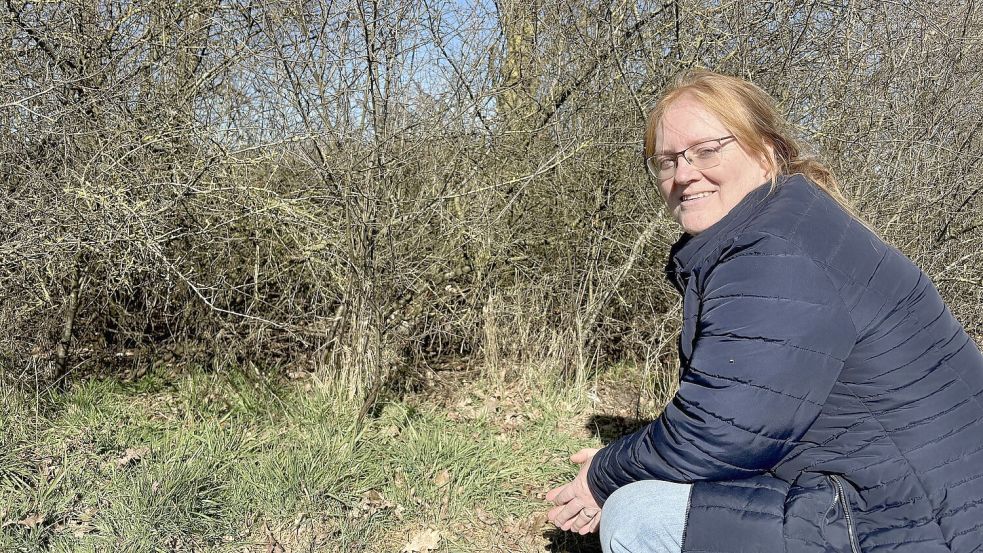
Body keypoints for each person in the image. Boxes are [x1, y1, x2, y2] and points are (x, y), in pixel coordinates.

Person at [545, 69, 983, 553]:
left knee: (639, 517)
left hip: (920, 524)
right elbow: (744, 416)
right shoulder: (788, 224)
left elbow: (721, 431)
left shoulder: (774, 251)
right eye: (667, 161)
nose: (684, 173)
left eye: (707, 150)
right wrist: (628, 461)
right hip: (914, 495)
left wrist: (604, 475)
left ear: (766, 150)